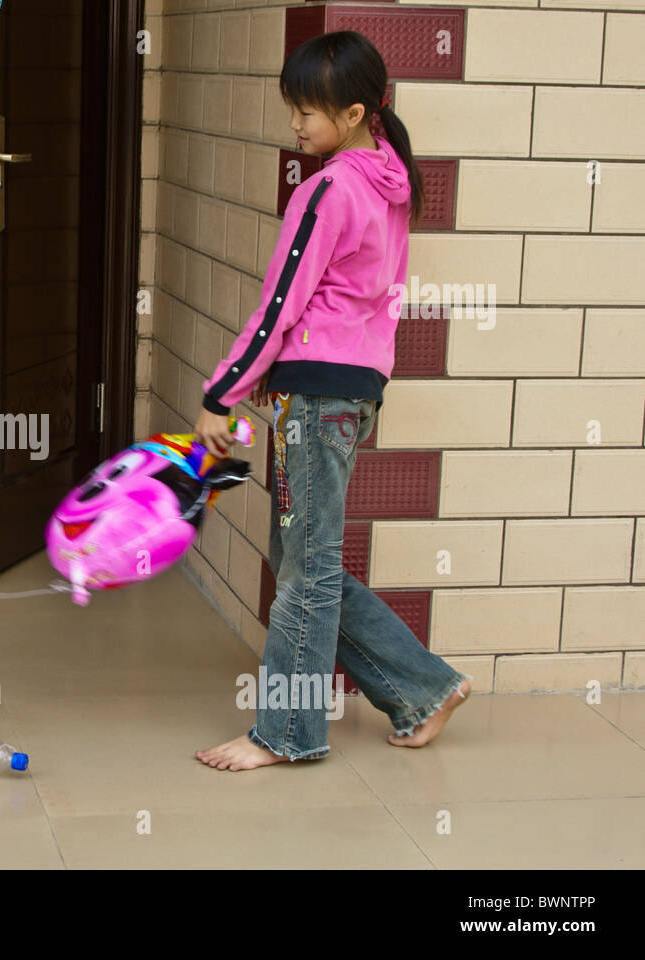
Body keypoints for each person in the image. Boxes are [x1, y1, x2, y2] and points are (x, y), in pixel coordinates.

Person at [193, 31, 469, 771]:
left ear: (352, 112)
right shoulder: (390, 182)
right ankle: (424, 687)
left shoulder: (330, 190)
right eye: (292, 109)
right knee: (304, 560)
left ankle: (284, 733)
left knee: (307, 568)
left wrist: (222, 392)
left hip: (315, 395)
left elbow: (281, 304)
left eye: (307, 112)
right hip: (350, 393)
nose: (295, 125)